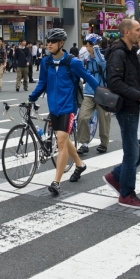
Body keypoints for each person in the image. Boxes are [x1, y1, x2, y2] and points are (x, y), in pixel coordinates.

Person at [29, 28, 99, 195]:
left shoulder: (73, 62)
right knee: (64, 139)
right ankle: (80, 165)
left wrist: (105, 97)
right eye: (48, 42)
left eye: (53, 42)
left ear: (62, 43)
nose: (49, 44)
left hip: (68, 107)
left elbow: (91, 79)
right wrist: (31, 98)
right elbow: (42, 84)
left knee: (61, 140)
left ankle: (56, 182)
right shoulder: (46, 62)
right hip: (54, 107)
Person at [103, 19, 140, 209]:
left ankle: (116, 176)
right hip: (127, 108)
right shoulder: (119, 53)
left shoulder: (131, 52)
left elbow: (129, 79)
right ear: (126, 32)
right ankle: (126, 193)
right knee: (131, 152)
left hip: (135, 106)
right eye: (137, 29)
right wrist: (138, 94)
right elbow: (114, 82)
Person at [77, 33, 111, 155]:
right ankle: (84, 143)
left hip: (102, 93)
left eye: (90, 45)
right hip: (89, 93)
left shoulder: (102, 58)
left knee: (103, 120)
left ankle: (104, 143)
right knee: (83, 117)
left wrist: (96, 48)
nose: (88, 48)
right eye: (87, 45)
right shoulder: (86, 60)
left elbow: (102, 63)